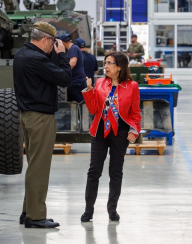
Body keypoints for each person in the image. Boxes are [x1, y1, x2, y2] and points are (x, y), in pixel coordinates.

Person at [14, 21, 71, 229]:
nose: (52, 47)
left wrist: (53, 54)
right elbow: (64, 78)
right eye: (52, 43)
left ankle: (27, 210)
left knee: (34, 166)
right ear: (46, 40)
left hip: (27, 116)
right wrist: (63, 55)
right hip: (41, 118)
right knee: (40, 167)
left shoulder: (22, 55)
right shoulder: (37, 59)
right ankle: (35, 216)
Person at [80, 51, 141, 223]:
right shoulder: (99, 83)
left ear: (120, 67)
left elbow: (135, 113)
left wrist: (134, 130)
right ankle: (88, 210)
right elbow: (93, 110)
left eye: (109, 63)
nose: (105, 66)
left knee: (116, 172)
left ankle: (112, 209)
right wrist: (89, 90)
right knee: (94, 171)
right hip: (100, 131)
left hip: (120, 132)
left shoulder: (132, 86)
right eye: (105, 63)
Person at [60, 34, 86, 102]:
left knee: (77, 104)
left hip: (76, 82)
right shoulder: (74, 48)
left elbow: (72, 63)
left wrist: (63, 72)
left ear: (62, 42)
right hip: (77, 82)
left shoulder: (73, 48)